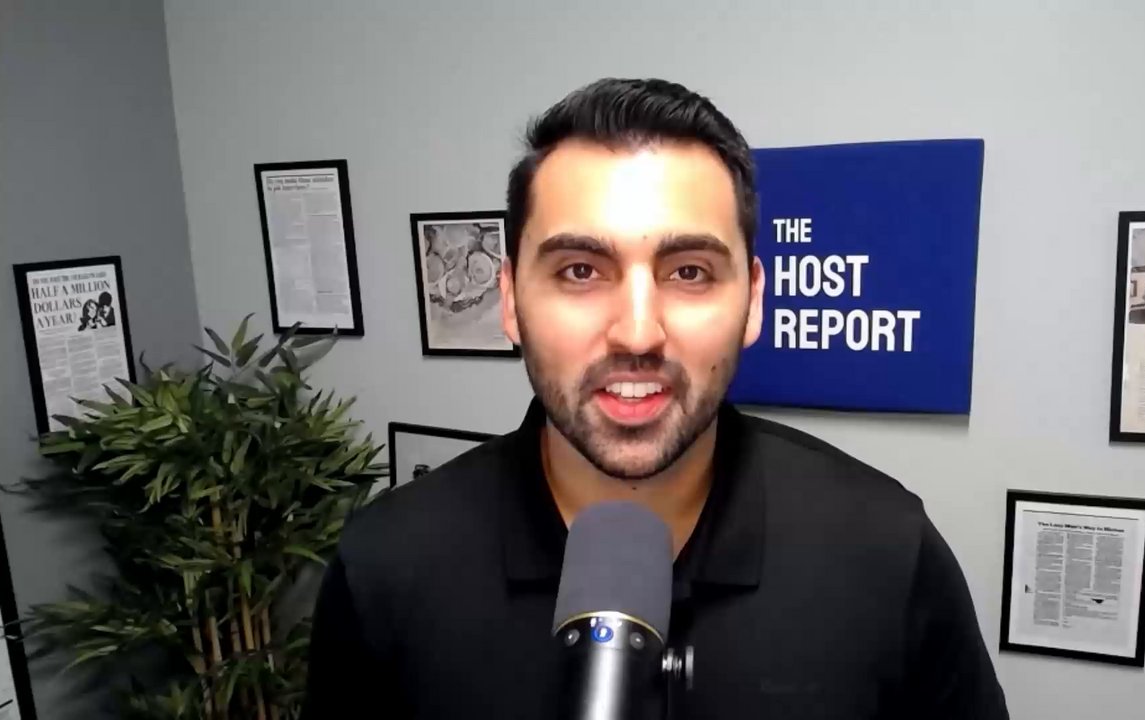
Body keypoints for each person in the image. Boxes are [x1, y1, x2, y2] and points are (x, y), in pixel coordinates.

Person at [302, 78, 1009, 719]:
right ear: (511, 300)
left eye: (690, 272)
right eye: (581, 271)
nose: (637, 332)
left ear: (754, 301)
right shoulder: (388, 567)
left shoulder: (887, 554)